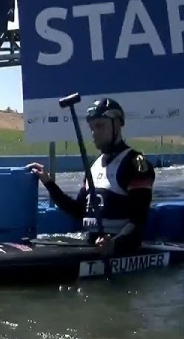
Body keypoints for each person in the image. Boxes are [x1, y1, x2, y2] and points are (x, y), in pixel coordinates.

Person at [26, 98, 156, 256]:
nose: (94, 133)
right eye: (92, 128)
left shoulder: (134, 164)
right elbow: (78, 211)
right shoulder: (94, 166)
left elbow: (139, 223)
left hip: (118, 250)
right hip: (91, 245)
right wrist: (49, 183)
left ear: (117, 124)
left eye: (100, 126)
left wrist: (114, 244)